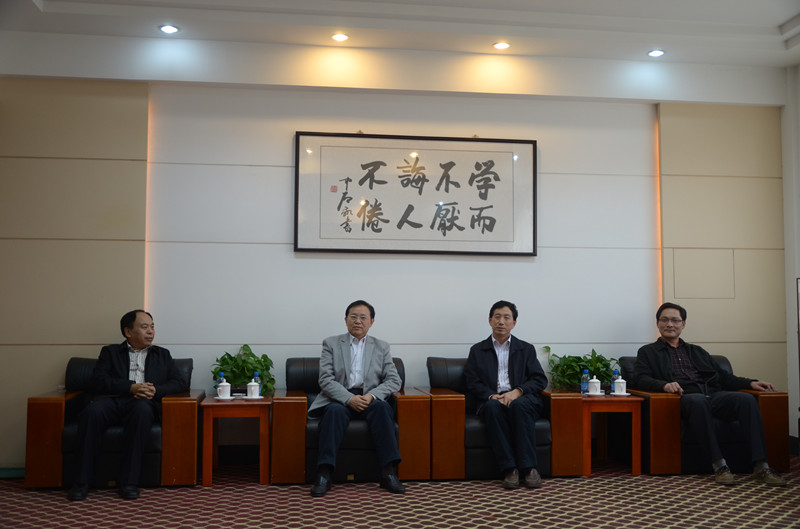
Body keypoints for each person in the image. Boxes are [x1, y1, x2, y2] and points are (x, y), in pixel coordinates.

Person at [633, 302, 787, 486]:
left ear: (683, 324)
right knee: (698, 401)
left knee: (745, 399)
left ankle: (761, 466)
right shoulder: (647, 352)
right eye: (664, 320)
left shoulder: (697, 351)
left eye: (675, 320)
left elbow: (724, 377)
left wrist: (750, 383)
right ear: (657, 323)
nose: (670, 324)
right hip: (683, 398)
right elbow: (640, 378)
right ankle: (719, 465)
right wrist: (664, 385)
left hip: (713, 395)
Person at [67, 310, 188, 501]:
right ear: (128, 331)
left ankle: (129, 482)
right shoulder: (110, 352)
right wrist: (130, 387)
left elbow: (179, 383)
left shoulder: (162, 354)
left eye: (152, 326)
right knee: (92, 412)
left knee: (142, 411)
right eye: (144, 327)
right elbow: (98, 381)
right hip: (112, 400)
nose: (151, 331)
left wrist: (155, 390)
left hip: (143, 403)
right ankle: (81, 482)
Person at [307, 300, 404, 497]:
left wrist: (371, 395)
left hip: (369, 398)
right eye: (353, 317)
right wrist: (349, 399)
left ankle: (388, 473)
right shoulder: (331, 343)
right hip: (340, 398)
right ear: (346, 320)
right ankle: (324, 474)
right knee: (333, 412)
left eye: (363, 317)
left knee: (383, 409)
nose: (357, 321)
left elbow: (394, 380)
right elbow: (325, 380)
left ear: (371, 322)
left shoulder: (382, 346)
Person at [464, 300, 548, 489]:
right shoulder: (477, 350)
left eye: (506, 317)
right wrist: (491, 395)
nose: (501, 321)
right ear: (490, 320)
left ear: (514, 323)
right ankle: (510, 468)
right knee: (492, 408)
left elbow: (539, 379)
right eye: (497, 317)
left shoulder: (526, 349)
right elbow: (471, 381)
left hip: (521, 398)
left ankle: (529, 468)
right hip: (492, 399)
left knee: (519, 406)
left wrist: (517, 392)